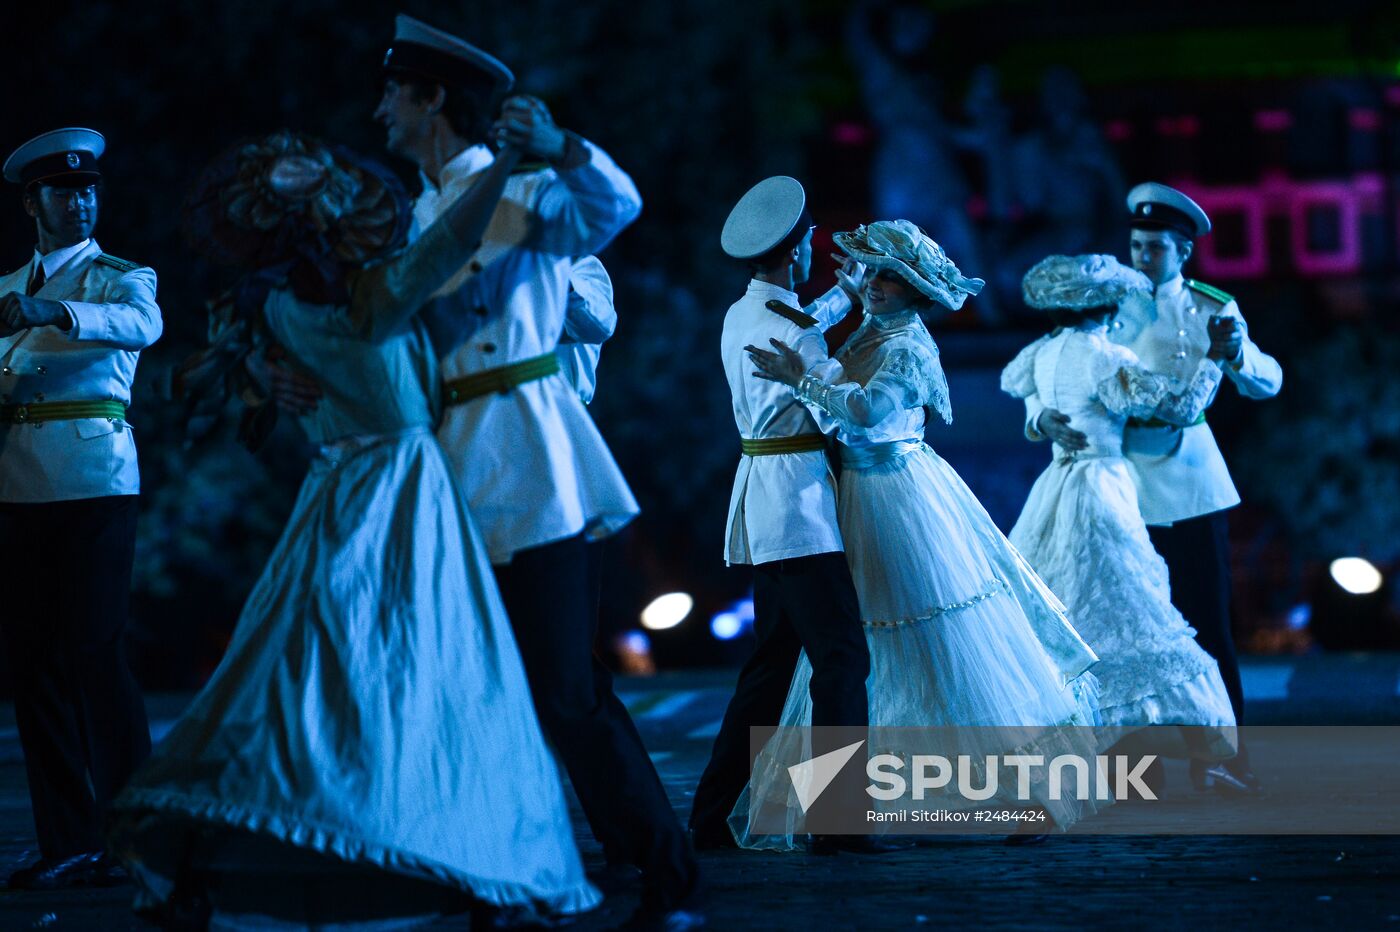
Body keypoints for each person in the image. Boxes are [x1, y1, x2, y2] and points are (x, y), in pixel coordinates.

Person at [107, 131, 601, 928]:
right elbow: (455, 238)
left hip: (329, 493)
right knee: (440, 676)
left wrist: (261, 372)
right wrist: (507, 161)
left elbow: (219, 383)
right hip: (404, 494)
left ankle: (220, 854)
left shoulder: (266, 305)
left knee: (293, 670)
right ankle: (478, 858)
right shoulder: (378, 296)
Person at [376, 16, 701, 926]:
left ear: (433, 99)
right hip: (451, 466)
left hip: (533, 459)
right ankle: (502, 869)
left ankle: (666, 869)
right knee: (484, 683)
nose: (379, 113)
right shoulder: (416, 212)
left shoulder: (514, 191)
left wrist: (562, 148)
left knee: (564, 686)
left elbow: (610, 212)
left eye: (392, 95)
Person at [741, 220, 1105, 846]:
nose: (877, 286)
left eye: (891, 277)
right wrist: (842, 299)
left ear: (916, 290)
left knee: (941, 638)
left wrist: (797, 378)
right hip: (853, 494)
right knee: (871, 650)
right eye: (873, 274)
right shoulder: (870, 325)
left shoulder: (910, 345)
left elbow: (866, 411)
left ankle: (1012, 793)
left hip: (899, 496)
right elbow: (834, 348)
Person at [1022, 184, 1282, 793]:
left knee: (1205, 621)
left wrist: (1238, 356)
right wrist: (1040, 418)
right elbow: (1048, 368)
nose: (1142, 258)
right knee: (1117, 626)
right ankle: (1135, 766)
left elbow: (1267, 380)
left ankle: (1222, 753)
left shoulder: (1211, 306)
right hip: (1112, 486)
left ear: (1184, 250)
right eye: (1136, 245)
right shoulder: (1111, 302)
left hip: (1185, 483)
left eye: (1156, 248)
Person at [690, 176, 880, 857]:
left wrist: (848, 296)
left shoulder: (747, 314)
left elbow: (808, 323)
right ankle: (837, 821)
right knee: (840, 659)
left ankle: (708, 817)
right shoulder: (792, 331)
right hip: (799, 509)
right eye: (809, 244)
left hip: (763, 501)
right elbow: (843, 403)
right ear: (797, 250)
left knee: (769, 672)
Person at [1002, 254, 1237, 768]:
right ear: (1108, 307)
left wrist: (1041, 419)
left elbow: (1025, 393)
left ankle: (1085, 741)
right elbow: (1177, 408)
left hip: (1057, 485)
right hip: (1101, 485)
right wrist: (1213, 359)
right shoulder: (1106, 357)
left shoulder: (1041, 353)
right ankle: (1204, 743)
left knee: (1071, 606)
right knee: (1135, 608)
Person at [0, 128, 159, 890]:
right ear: (34, 203)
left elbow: (142, 326)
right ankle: (68, 837)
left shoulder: (119, 278)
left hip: (95, 477)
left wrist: (52, 313)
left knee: (96, 654)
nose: (81, 201)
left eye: (89, 188)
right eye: (64, 192)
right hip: (20, 483)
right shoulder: (4, 285)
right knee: (33, 665)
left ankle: (135, 835)